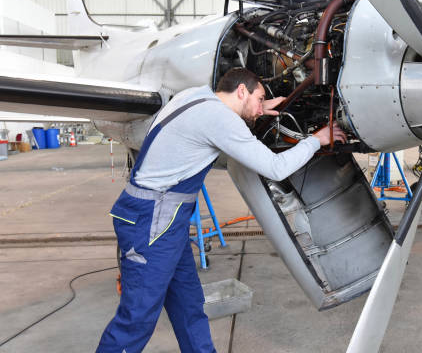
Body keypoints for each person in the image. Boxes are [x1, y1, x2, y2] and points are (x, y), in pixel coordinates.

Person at [97, 68, 346, 352]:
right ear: (242, 91)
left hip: (165, 220)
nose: (260, 107)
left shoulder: (196, 95)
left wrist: (259, 107)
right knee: (137, 319)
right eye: (259, 97)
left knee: (189, 307)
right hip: (151, 221)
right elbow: (276, 168)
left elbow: (216, 121)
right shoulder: (221, 120)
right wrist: (317, 139)